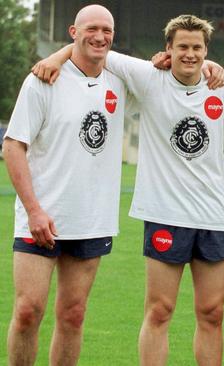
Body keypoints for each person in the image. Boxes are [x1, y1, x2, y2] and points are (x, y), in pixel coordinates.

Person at [33, 14, 224, 366]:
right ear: (167, 50)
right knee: (159, 311)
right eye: (182, 47)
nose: (190, 54)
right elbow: (93, 48)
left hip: (214, 215)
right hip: (164, 214)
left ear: (206, 50)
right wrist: (55, 57)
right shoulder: (147, 76)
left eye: (197, 47)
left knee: (213, 313)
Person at [3, 5, 127, 365]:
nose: (100, 36)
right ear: (73, 32)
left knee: (73, 315)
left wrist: (211, 67)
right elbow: (13, 146)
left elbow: (178, 73)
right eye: (91, 28)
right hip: (40, 217)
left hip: (90, 219)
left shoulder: (121, 80)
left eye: (107, 30)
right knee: (28, 311)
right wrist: (34, 210)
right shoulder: (44, 80)